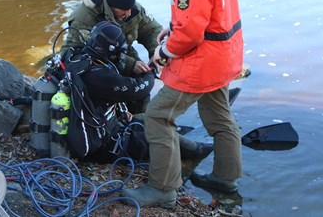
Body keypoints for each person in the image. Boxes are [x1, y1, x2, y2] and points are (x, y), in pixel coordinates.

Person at [121, 0, 244, 208]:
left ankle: (163, 188)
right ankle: (226, 179)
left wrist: (163, 52)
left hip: (202, 62)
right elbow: (209, 13)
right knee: (220, 117)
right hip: (226, 56)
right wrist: (174, 27)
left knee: (159, 116)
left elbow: (190, 34)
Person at [64, 21, 213, 164]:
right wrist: (151, 72)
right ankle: (199, 150)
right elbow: (138, 89)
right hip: (103, 145)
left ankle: (184, 136)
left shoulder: (76, 58)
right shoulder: (97, 75)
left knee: (148, 119)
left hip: (96, 127)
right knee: (160, 138)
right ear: (110, 50)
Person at [62, 0, 162, 83]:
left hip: (122, 52)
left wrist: (156, 53)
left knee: (143, 79)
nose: (128, 13)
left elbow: (152, 30)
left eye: (130, 8)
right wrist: (130, 64)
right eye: (124, 10)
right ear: (112, 8)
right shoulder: (84, 17)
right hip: (85, 59)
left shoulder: (133, 9)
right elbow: (91, 51)